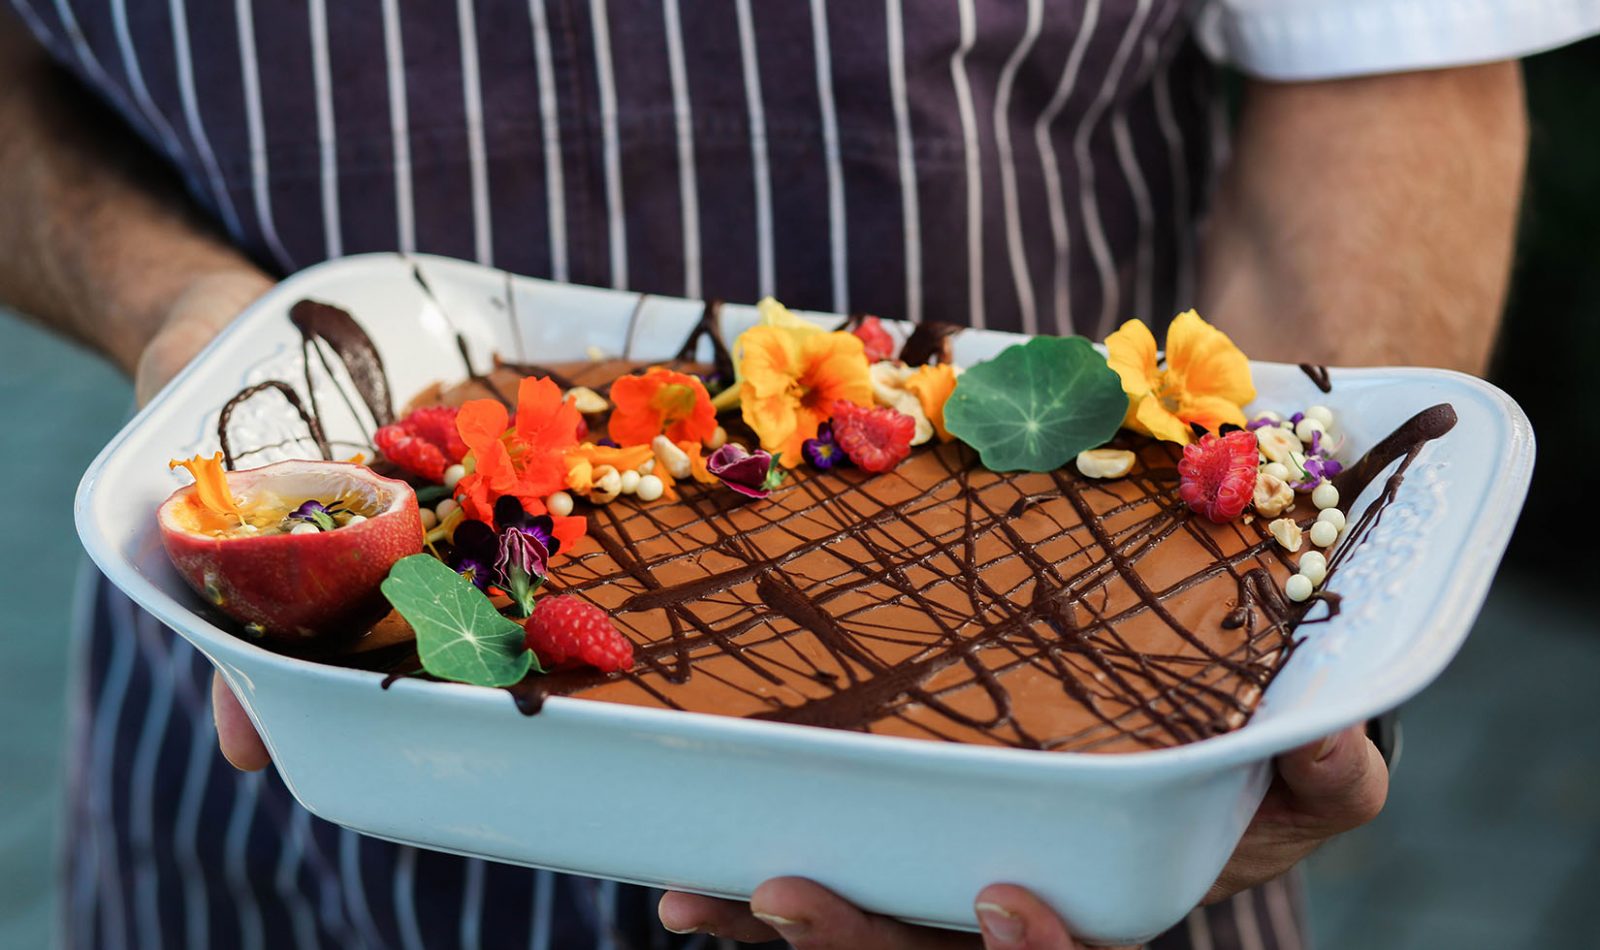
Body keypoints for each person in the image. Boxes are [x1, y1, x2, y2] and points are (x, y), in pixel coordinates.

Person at [0, 2, 1581, 947]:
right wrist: (184, 319)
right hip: (266, 790)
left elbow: (1393, 63)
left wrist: (1299, 665)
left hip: (1082, 829)